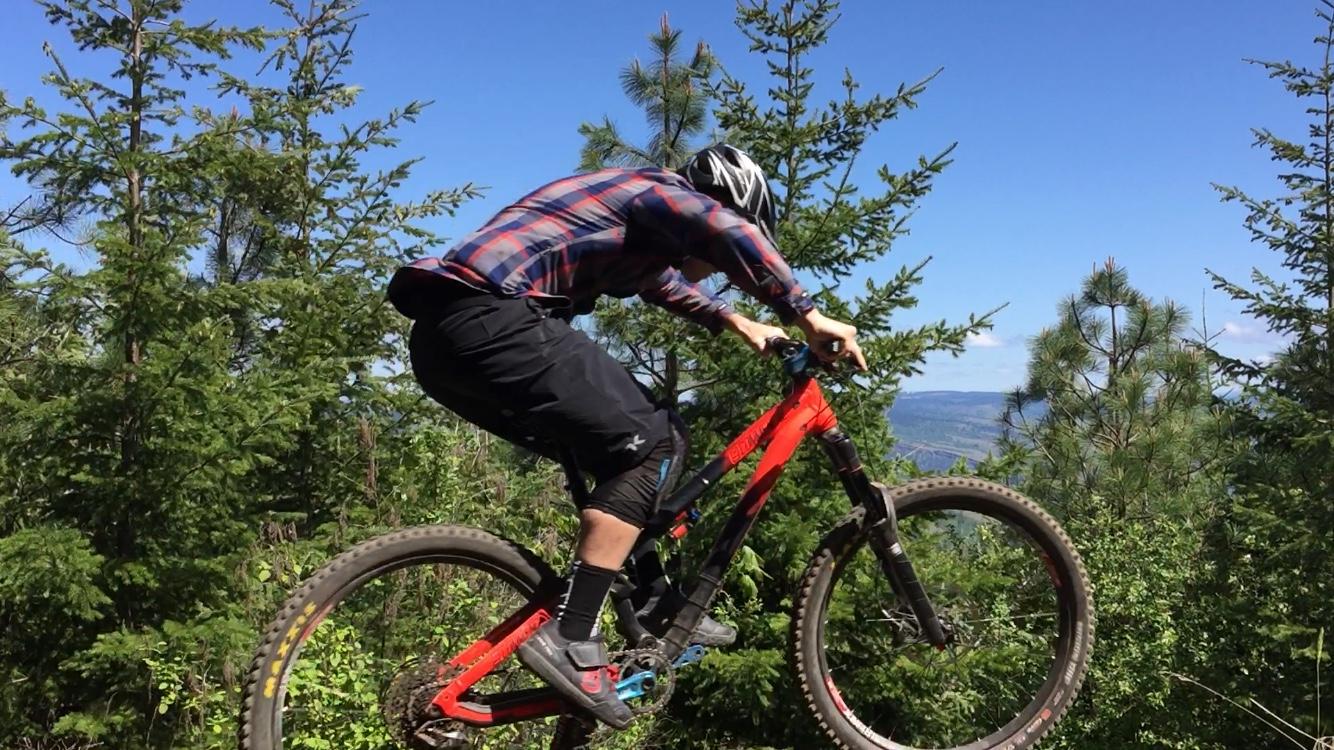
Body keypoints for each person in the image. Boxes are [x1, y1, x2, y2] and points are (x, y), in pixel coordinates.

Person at [387, 144, 866, 728]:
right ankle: (573, 635)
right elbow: (719, 228)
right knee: (651, 445)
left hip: (446, 345)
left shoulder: (634, 224)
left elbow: (656, 281)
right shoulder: (659, 190)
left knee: (652, 437)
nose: (715, 271)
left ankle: (652, 600)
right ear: (718, 199)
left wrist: (735, 320)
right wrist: (806, 314)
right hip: (493, 318)